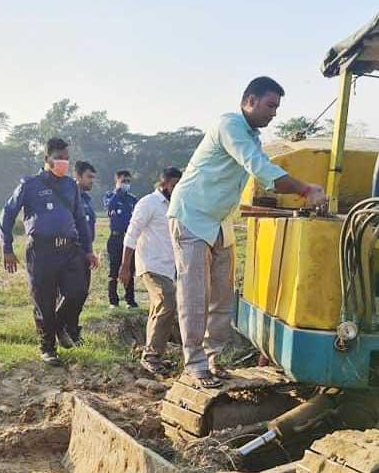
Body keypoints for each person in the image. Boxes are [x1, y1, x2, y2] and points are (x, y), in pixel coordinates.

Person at [167, 77, 327, 388]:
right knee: (195, 294)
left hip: (218, 221)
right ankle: (195, 364)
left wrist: (297, 189)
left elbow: (264, 167)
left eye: (277, 108)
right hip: (192, 215)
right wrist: (305, 190)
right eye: (270, 106)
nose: (274, 114)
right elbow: (259, 168)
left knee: (223, 296)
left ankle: (212, 357)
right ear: (249, 101)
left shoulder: (252, 136)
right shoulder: (229, 126)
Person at [0, 138, 98, 365]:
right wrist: (7, 247)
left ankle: (61, 325)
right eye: (58, 157)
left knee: (78, 292)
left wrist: (88, 250)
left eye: (66, 158)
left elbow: (80, 220)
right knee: (44, 301)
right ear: (47, 159)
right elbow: (8, 213)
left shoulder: (71, 186)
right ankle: (47, 347)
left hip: (70, 249)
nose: (63, 162)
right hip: (41, 251)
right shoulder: (30, 185)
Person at [119, 166, 182, 375]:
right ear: (163, 184)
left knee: (159, 307)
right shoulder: (148, 203)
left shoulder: (176, 205)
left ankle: (153, 355)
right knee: (168, 300)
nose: (176, 189)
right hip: (150, 265)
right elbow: (131, 234)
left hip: (168, 267)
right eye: (173, 185)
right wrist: (125, 266)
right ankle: (151, 355)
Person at [54, 160, 97, 344]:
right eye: (89, 177)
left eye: (93, 178)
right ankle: (55, 324)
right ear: (77, 176)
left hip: (84, 252)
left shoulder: (86, 199)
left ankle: (72, 330)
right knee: (73, 292)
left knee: (82, 294)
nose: (92, 181)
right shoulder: (66, 196)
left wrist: (89, 251)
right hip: (69, 252)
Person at [104, 169, 139, 308]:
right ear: (117, 181)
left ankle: (130, 300)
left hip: (129, 239)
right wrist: (118, 192)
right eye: (123, 181)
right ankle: (113, 301)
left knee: (130, 268)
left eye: (128, 181)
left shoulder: (132, 199)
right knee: (114, 269)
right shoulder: (110, 196)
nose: (126, 184)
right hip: (115, 238)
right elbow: (109, 206)